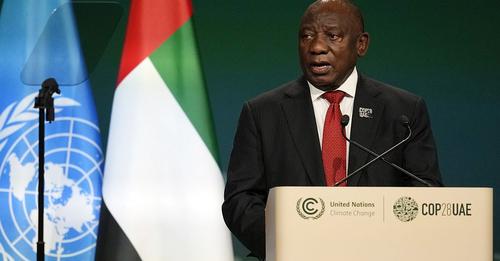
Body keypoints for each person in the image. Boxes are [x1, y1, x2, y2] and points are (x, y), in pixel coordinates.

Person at [222, 0, 443, 259]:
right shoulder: (262, 112)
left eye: (332, 36)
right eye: (306, 36)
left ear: (361, 44)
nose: (316, 47)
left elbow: (425, 193)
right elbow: (240, 200)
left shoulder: (404, 112)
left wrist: (382, 242)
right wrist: (284, 243)